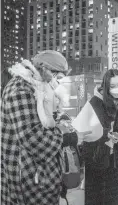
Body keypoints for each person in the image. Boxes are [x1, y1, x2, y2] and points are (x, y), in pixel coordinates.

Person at [1, 50, 76, 205]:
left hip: (42, 176)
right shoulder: (20, 89)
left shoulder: (40, 86)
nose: (55, 79)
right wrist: (66, 136)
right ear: (42, 67)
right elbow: (34, 139)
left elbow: (47, 122)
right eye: (54, 74)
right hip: (28, 178)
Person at [72, 69, 118, 205]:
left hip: (113, 156)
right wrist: (105, 135)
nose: (117, 89)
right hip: (94, 156)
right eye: (113, 86)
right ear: (106, 86)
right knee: (95, 196)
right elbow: (83, 129)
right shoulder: (95, 102)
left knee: (111, 195)